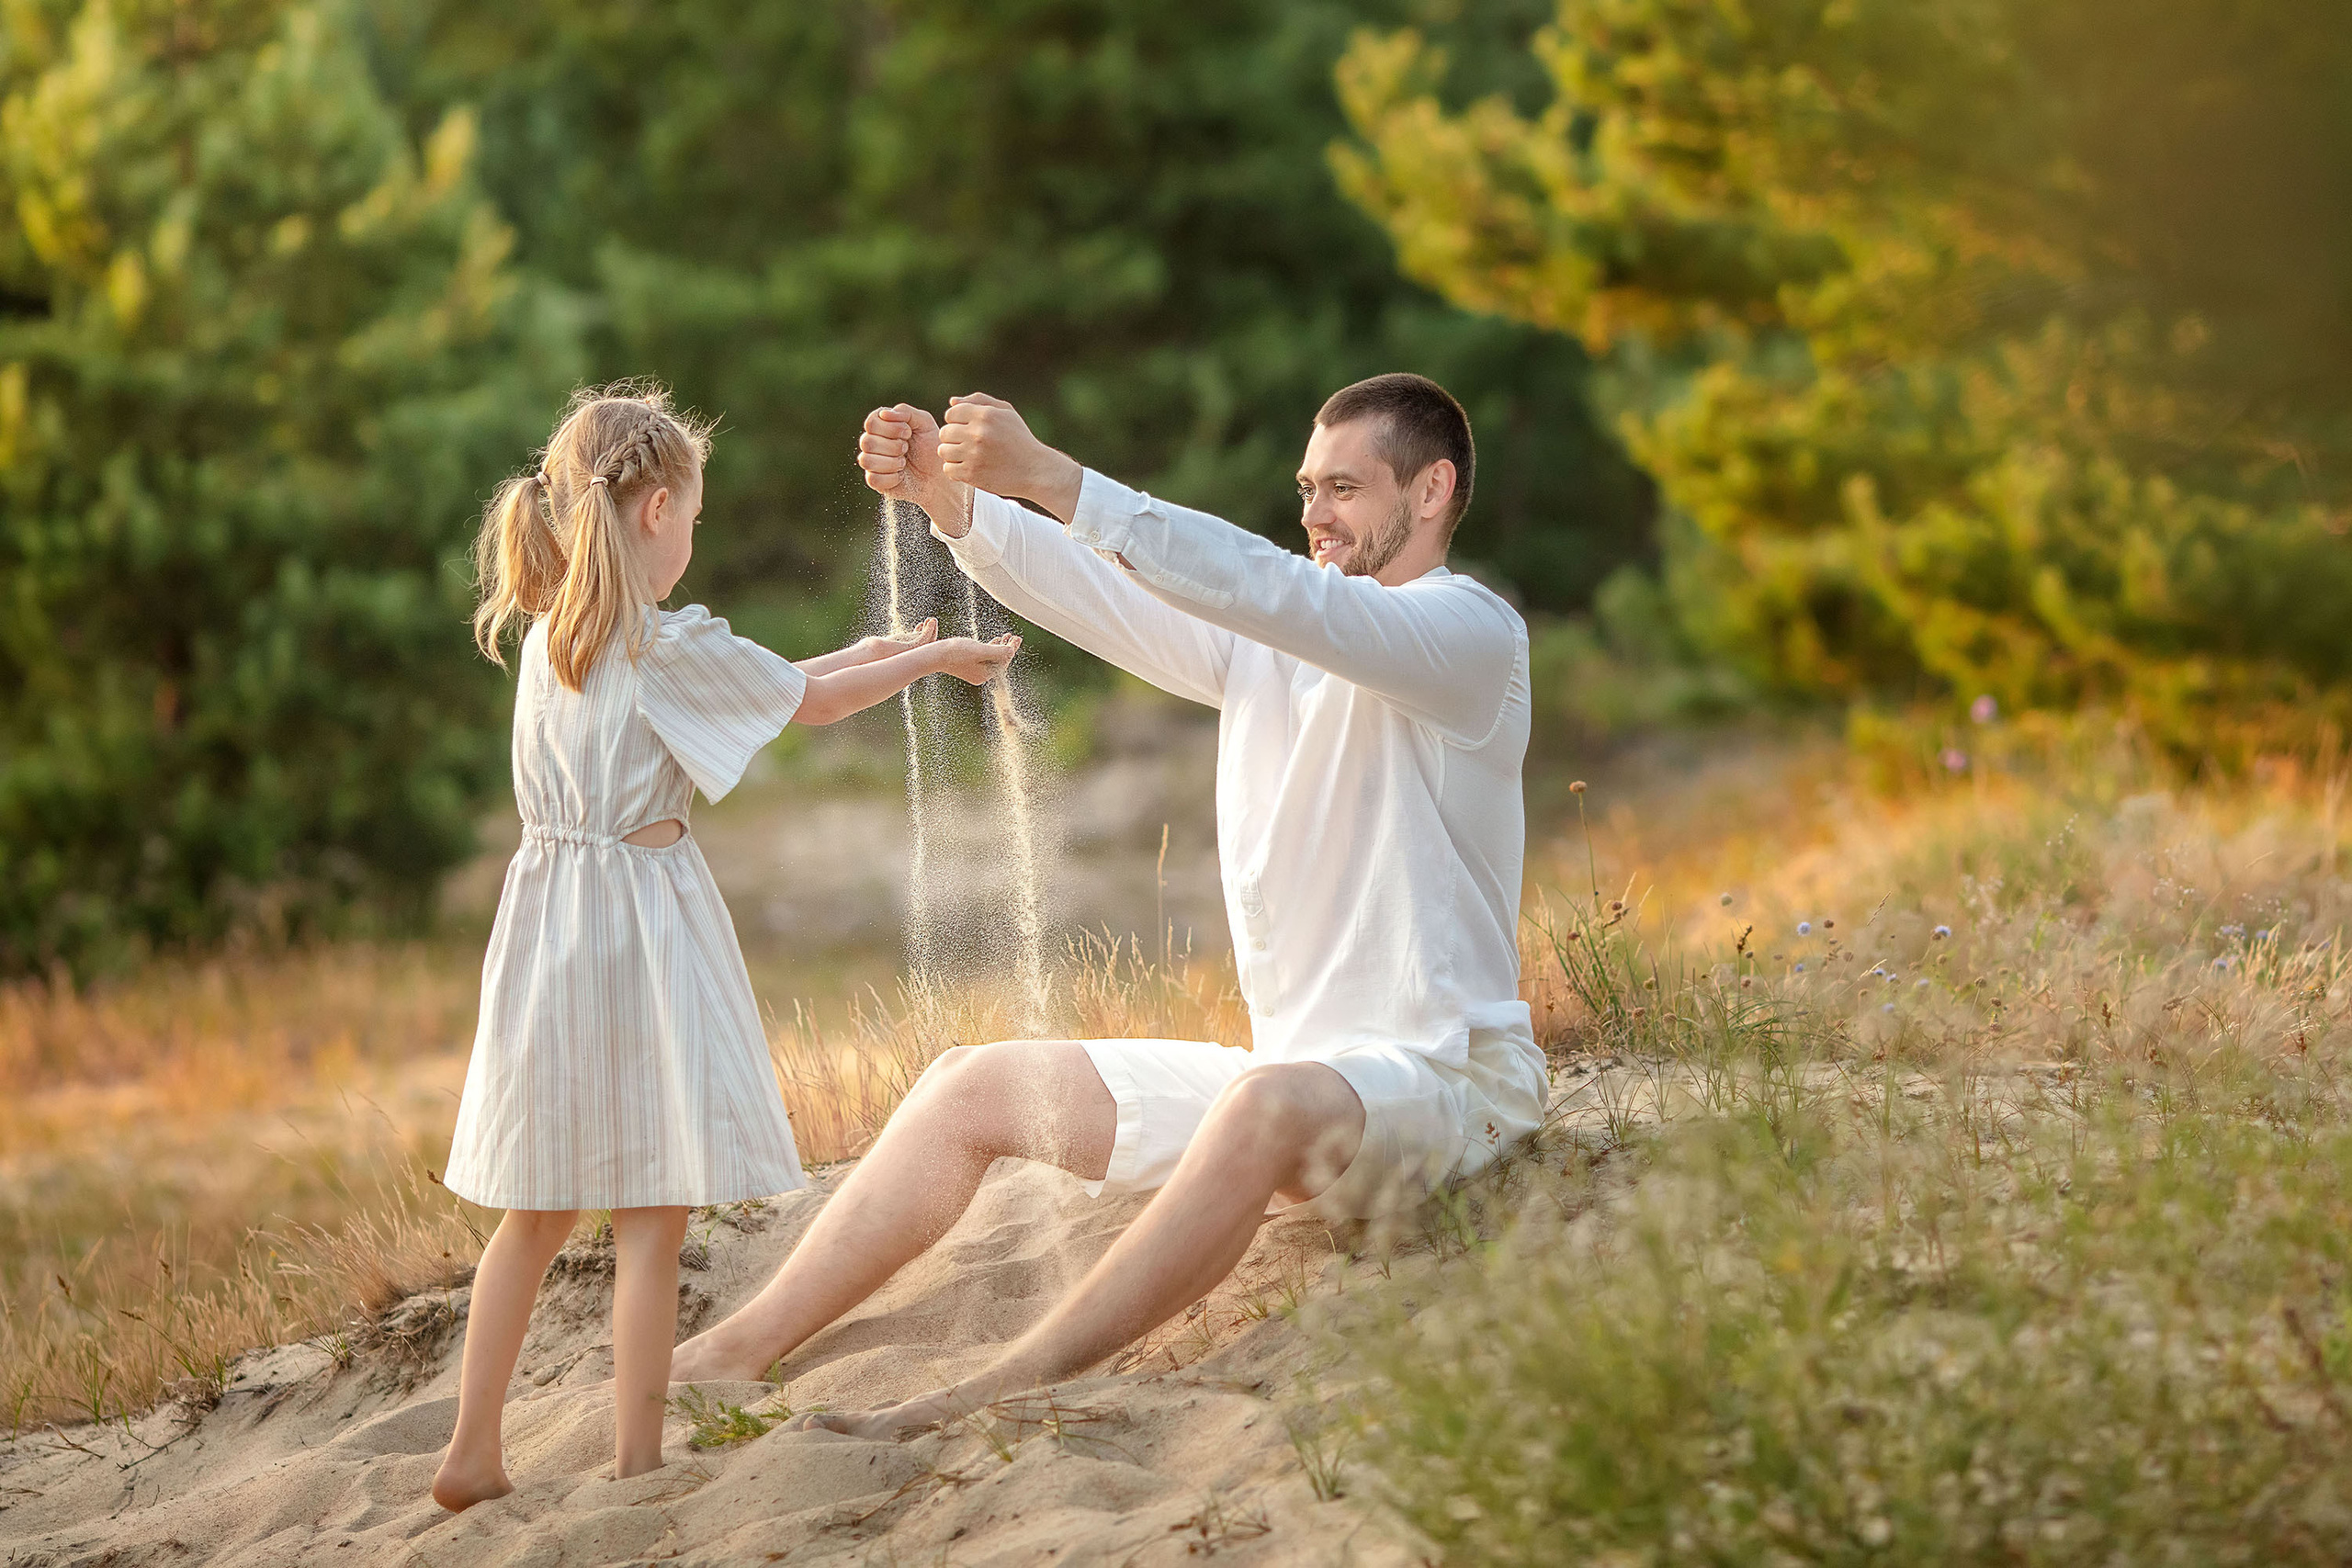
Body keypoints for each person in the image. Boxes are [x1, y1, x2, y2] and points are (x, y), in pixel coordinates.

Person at [668, 372, 1546, 1439]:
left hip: (1450, 1090)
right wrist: (960, 509)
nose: (1314, 515)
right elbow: (1122, 604)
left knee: (1264, 1106)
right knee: (974, 1084)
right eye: (1307, 488)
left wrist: (1054, 476)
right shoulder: (1273, 648)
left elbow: (1272, 589)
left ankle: (987, 1392)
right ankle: (725, 1354)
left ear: (1432, 490)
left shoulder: (1471, 639)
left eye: (1345, 490)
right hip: (1299, 1090)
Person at [430, 382, 1019, 1511]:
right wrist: (932, 665)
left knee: (537, 1212)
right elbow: (808, 706)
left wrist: (879, 646)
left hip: (551, 925)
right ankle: (637, 1462)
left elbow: (784, 686)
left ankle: (470, 1450)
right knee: (654, 1209)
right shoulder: (660, 642)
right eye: (693, 517)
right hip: (641, 929)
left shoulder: (562, 635)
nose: (695, 537)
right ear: (654, 511)